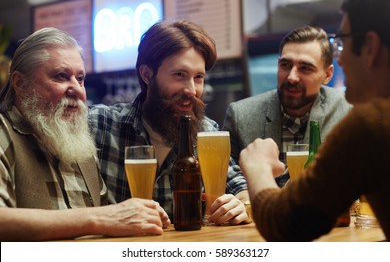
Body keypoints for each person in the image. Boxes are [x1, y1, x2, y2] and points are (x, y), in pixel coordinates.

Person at [239, 0, 390, 241]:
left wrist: (258, 166)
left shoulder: (372, 123)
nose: (340, 58)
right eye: (285, 64)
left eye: (342, 42)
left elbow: (287, 225)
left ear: (370, 46)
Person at [0, 27, 170, 241]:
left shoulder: (78, 144)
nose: (78, 90)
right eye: (61, 76)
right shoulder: (4, 133)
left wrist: (140, 217)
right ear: (20, 83)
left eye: (80, 79)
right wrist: (98, 218)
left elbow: (108, 222)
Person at [89, 20, 251, 225]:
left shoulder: (207, 132)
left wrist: (239, 205)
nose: (191, 90)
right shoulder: (101, 125)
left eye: (198, 77)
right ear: (147, 75)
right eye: (180, 75)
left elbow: (240, 189)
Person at [223, 25, 351, 186]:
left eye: (305, 68)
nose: (292, 77)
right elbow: (228, 178)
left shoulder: (348, 111)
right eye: (286, 65)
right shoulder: (240, 115)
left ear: (327, 74)